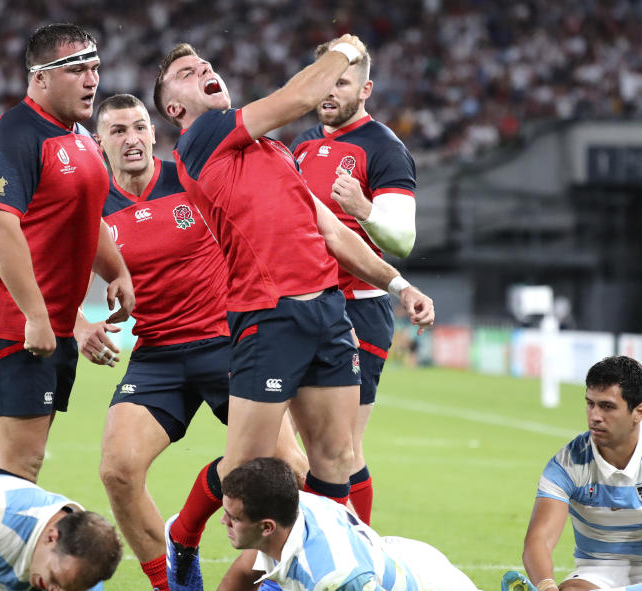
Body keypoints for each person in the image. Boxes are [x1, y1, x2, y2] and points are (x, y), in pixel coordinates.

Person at [153, 35, 435, 591]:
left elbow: (331, 232)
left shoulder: (276, 153)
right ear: (174, 108)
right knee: (244, 473)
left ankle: (302, 572)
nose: (203, 68)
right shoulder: (203, 137)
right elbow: (299, 94)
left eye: (206, 62)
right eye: (186, 72)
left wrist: (398, 283)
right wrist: (346, 52)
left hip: (330, 315)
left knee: (335, 460)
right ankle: (181, 537)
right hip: (268, 316)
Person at [86, 93, 309, 591]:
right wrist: (82, 327)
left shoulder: (190, 177)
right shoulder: (91, 204)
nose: (132, 139)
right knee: (118, 470)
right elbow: (47, 272)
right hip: (157, 356)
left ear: (154, 132)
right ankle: (172, 586)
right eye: (118, 131)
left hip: (225, 343)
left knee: (291, 468)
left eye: (140, 127)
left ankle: (262, 573)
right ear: (98, 142)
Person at [0, 23, 134, 483]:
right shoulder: (14, 135)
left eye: (95, 68)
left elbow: (86, 216)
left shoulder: (80, 137)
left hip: (53, 325)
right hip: (8, 322)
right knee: (22, 460)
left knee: (20, 460)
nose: (92, 80)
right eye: (77, 70)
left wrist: (117, 269)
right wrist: (34, 315)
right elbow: (1, 227)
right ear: (40, 77)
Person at [289, 41, 418, 525]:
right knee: (290, 445)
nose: (329, 89)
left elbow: (403, 239)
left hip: (358, 308)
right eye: (325, 78)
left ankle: (354, 548)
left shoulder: (385, 148)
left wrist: (364, 209)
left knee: (342, 450)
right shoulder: (301, 143)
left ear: (364, 89)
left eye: (341, 81)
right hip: (303, 305)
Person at [503, 356, 642, 591]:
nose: (594, 415)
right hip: (596, 569)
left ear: (639, 411)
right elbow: (539, 538)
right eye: (590, 403)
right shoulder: (567, 463)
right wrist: (546, 586)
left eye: (607, 406)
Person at [217, 457, 479, 591]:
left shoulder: (333, 577)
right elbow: (241, 575)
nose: (223, 521)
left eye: (234, 518)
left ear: (267, 527)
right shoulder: (286, 506)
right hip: (409, 560)